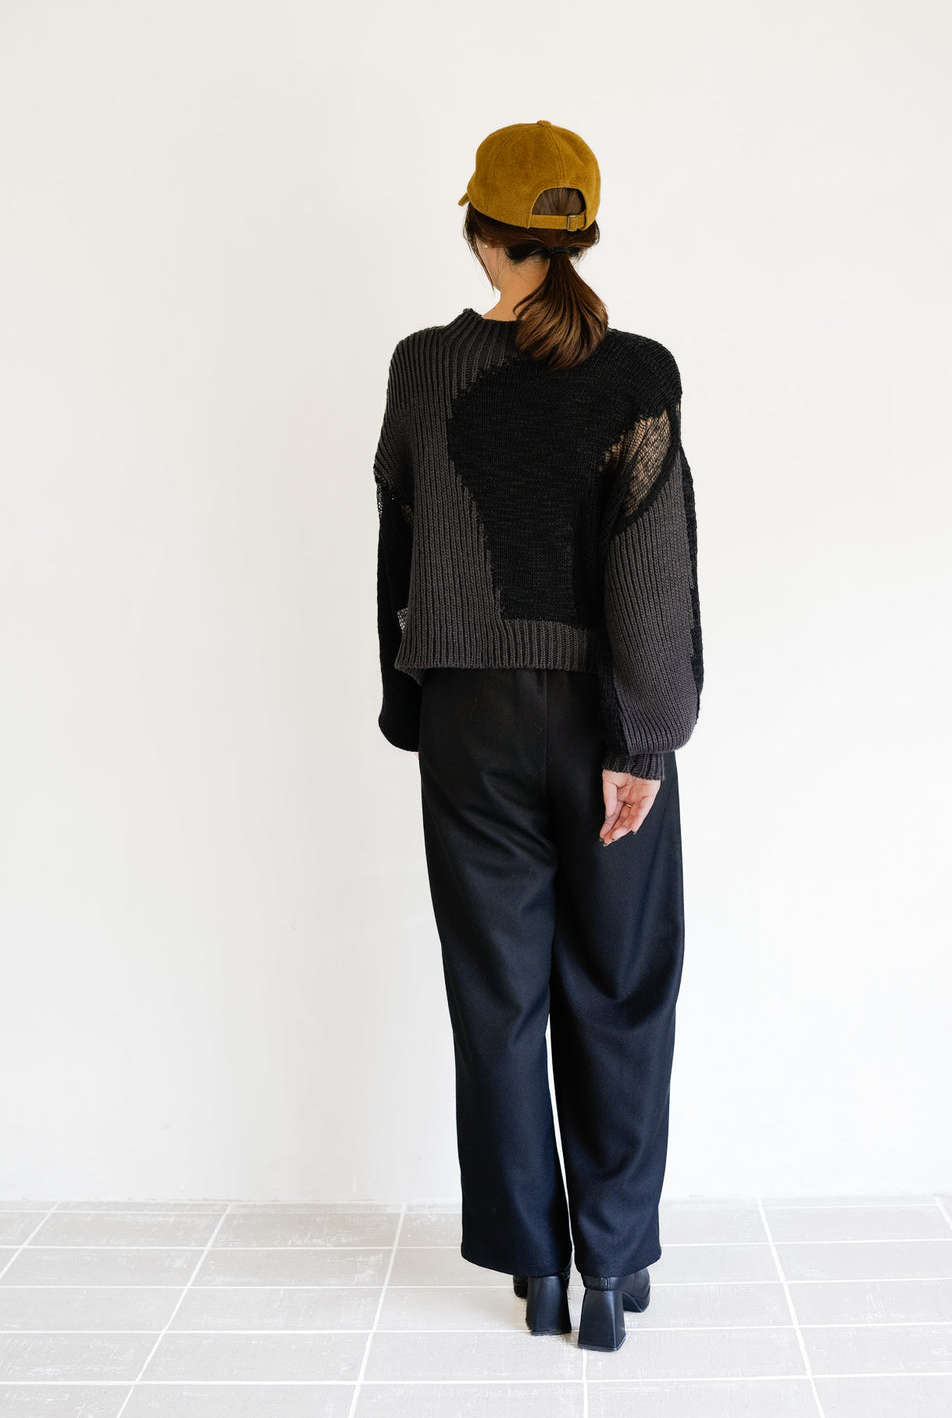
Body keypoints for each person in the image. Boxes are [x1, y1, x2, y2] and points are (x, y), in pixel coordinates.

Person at [373, 119, 703, 1353]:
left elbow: (400, 542)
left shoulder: (423, 367)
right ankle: (611, 1267)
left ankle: (536, 1267)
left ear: (480, 230)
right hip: (599, 719)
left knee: (497, 996)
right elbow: (652, 569)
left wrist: (412, 704)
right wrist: (643, 740)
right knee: (619, 989)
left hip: (470, 720)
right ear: (581, 234)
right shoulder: (639, 373)